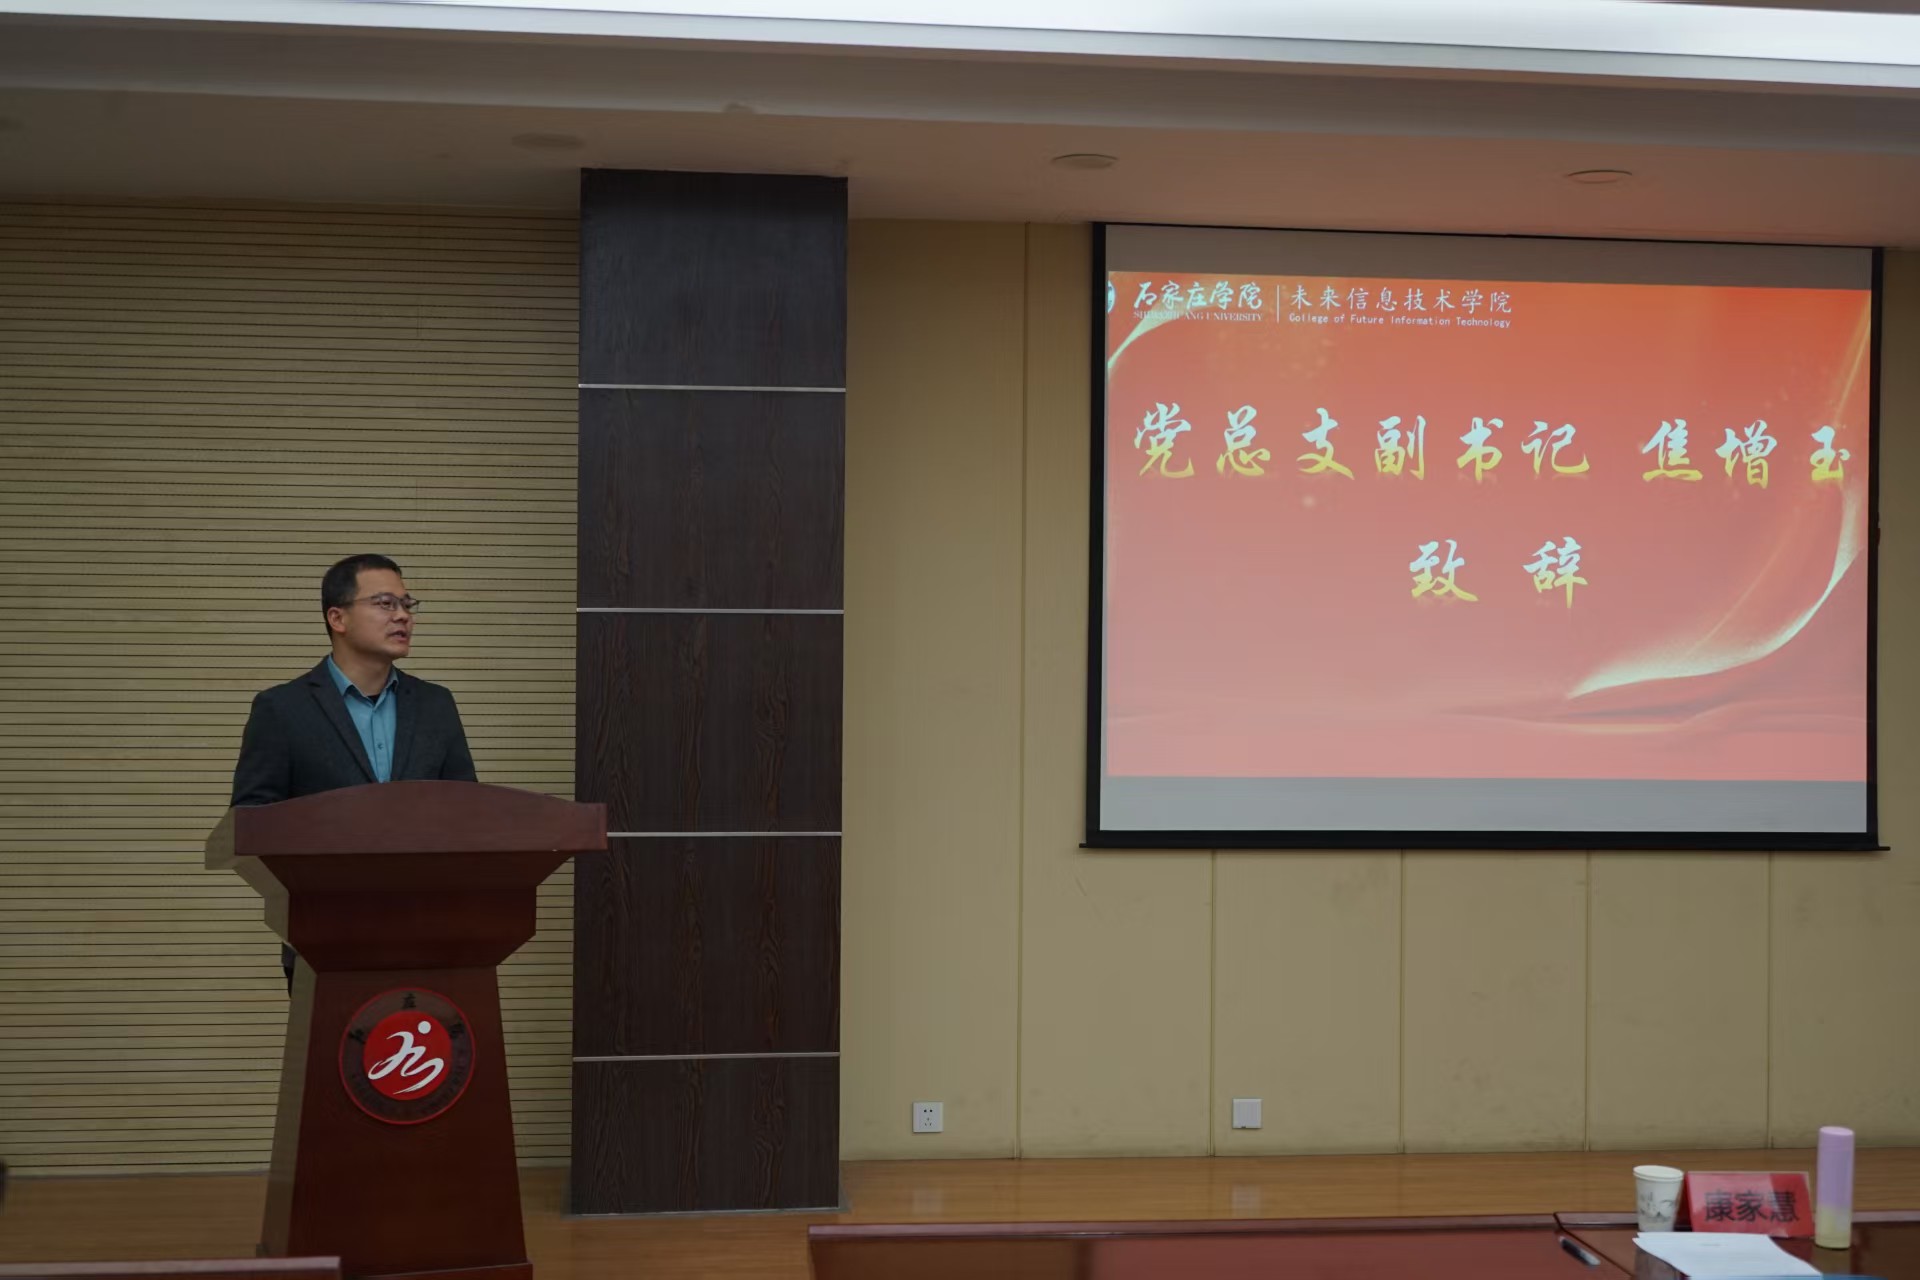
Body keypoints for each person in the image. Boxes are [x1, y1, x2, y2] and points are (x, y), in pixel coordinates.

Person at [230, 554, 478, 991]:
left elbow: (469, 814)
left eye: (407, 604)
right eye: (385, 603)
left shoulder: (436, 705)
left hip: (429, 937)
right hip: (324, 940)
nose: (402, 615)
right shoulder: (282, 710)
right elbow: (251, 825)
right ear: (337, 618)